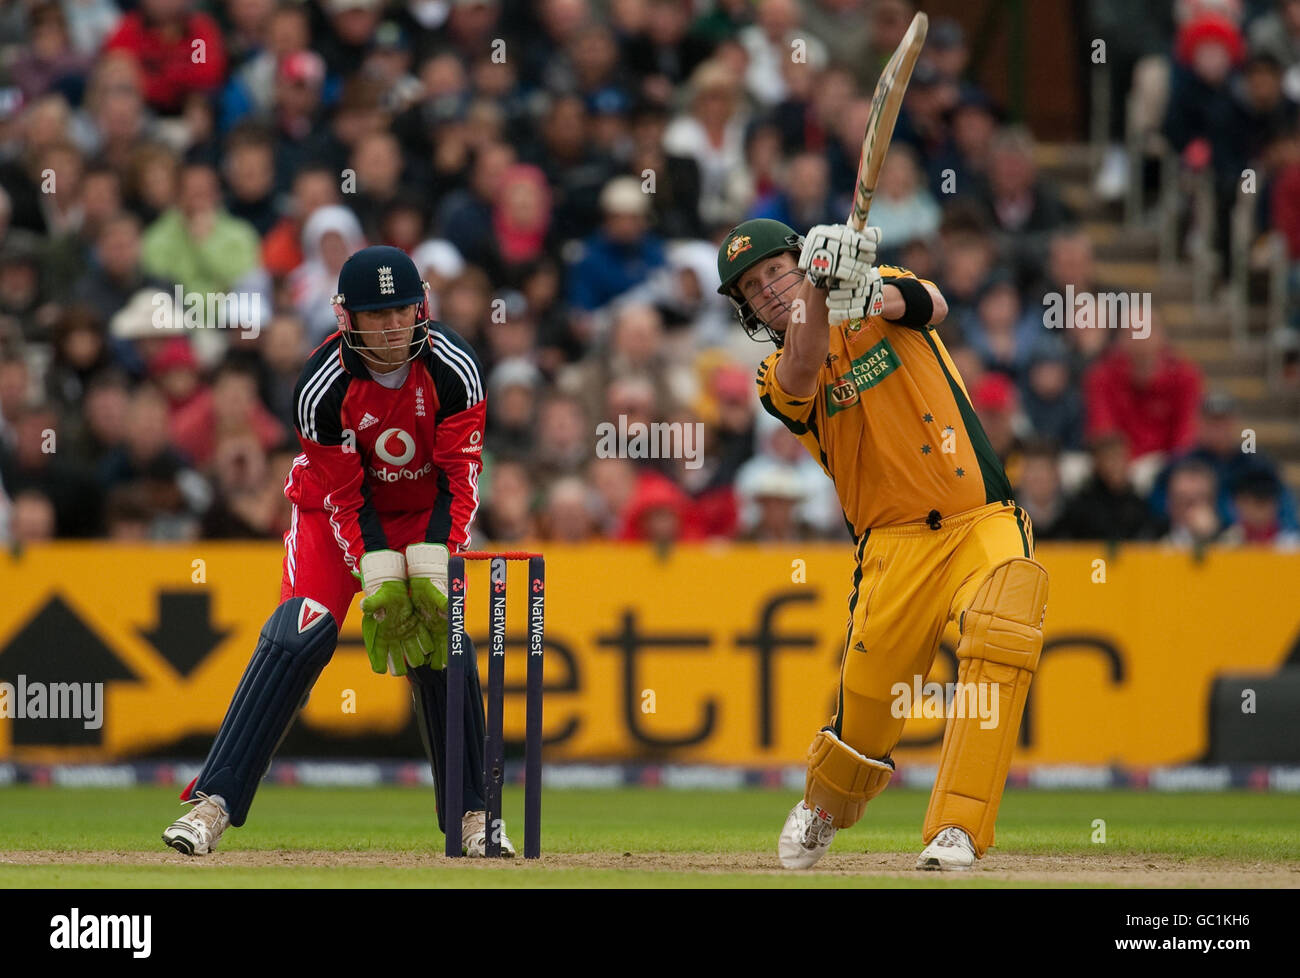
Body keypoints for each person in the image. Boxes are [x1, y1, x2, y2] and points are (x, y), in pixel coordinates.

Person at [716, 217, 1048, 871]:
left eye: (776, 270)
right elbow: (805, 367)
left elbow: (932, 303)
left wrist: (861, 288)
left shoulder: (879, 291)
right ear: (748, 308)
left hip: (978, 513)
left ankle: (956, 827)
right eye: (754, 288)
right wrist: (816, 287)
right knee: (867, 713)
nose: (769, 289)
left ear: (797, 259)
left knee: (1005, 628)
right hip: (892, 545)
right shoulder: (771, 375)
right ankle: (826, 805)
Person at [160, 246, 512, 856]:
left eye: (402, 310)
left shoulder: (456, 369)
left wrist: (434, 561)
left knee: (439, 637)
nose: (393, 327)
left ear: (421, 307)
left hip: (425, 514)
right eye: (376, 315)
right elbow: (344, 496)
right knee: (302, 631)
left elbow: (461, 479)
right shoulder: (320, 387)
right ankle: (212, 804)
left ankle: (474, 816)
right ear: (346, 317)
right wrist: (375, 570)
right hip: (332, 517)